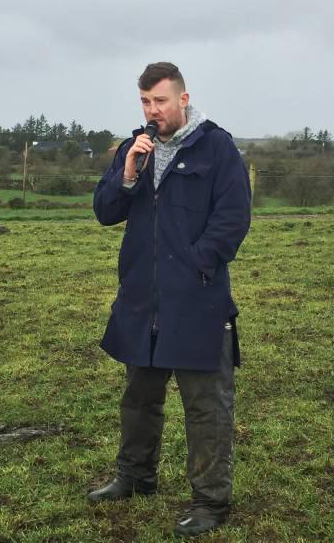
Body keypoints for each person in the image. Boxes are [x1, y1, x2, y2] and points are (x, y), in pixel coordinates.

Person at [90, 62, 251, 538]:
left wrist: (196, 263)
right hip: (143, 299)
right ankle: (135, 477)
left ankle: (211, 501)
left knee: (207, 408)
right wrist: (127, 171)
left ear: (183, 99)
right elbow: (104, 212)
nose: (151, 111)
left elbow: (233, 217)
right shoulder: (132, 148)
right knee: (139, 398)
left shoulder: (216, 147)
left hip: (197, 300)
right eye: (144, 101)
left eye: (160, 101)